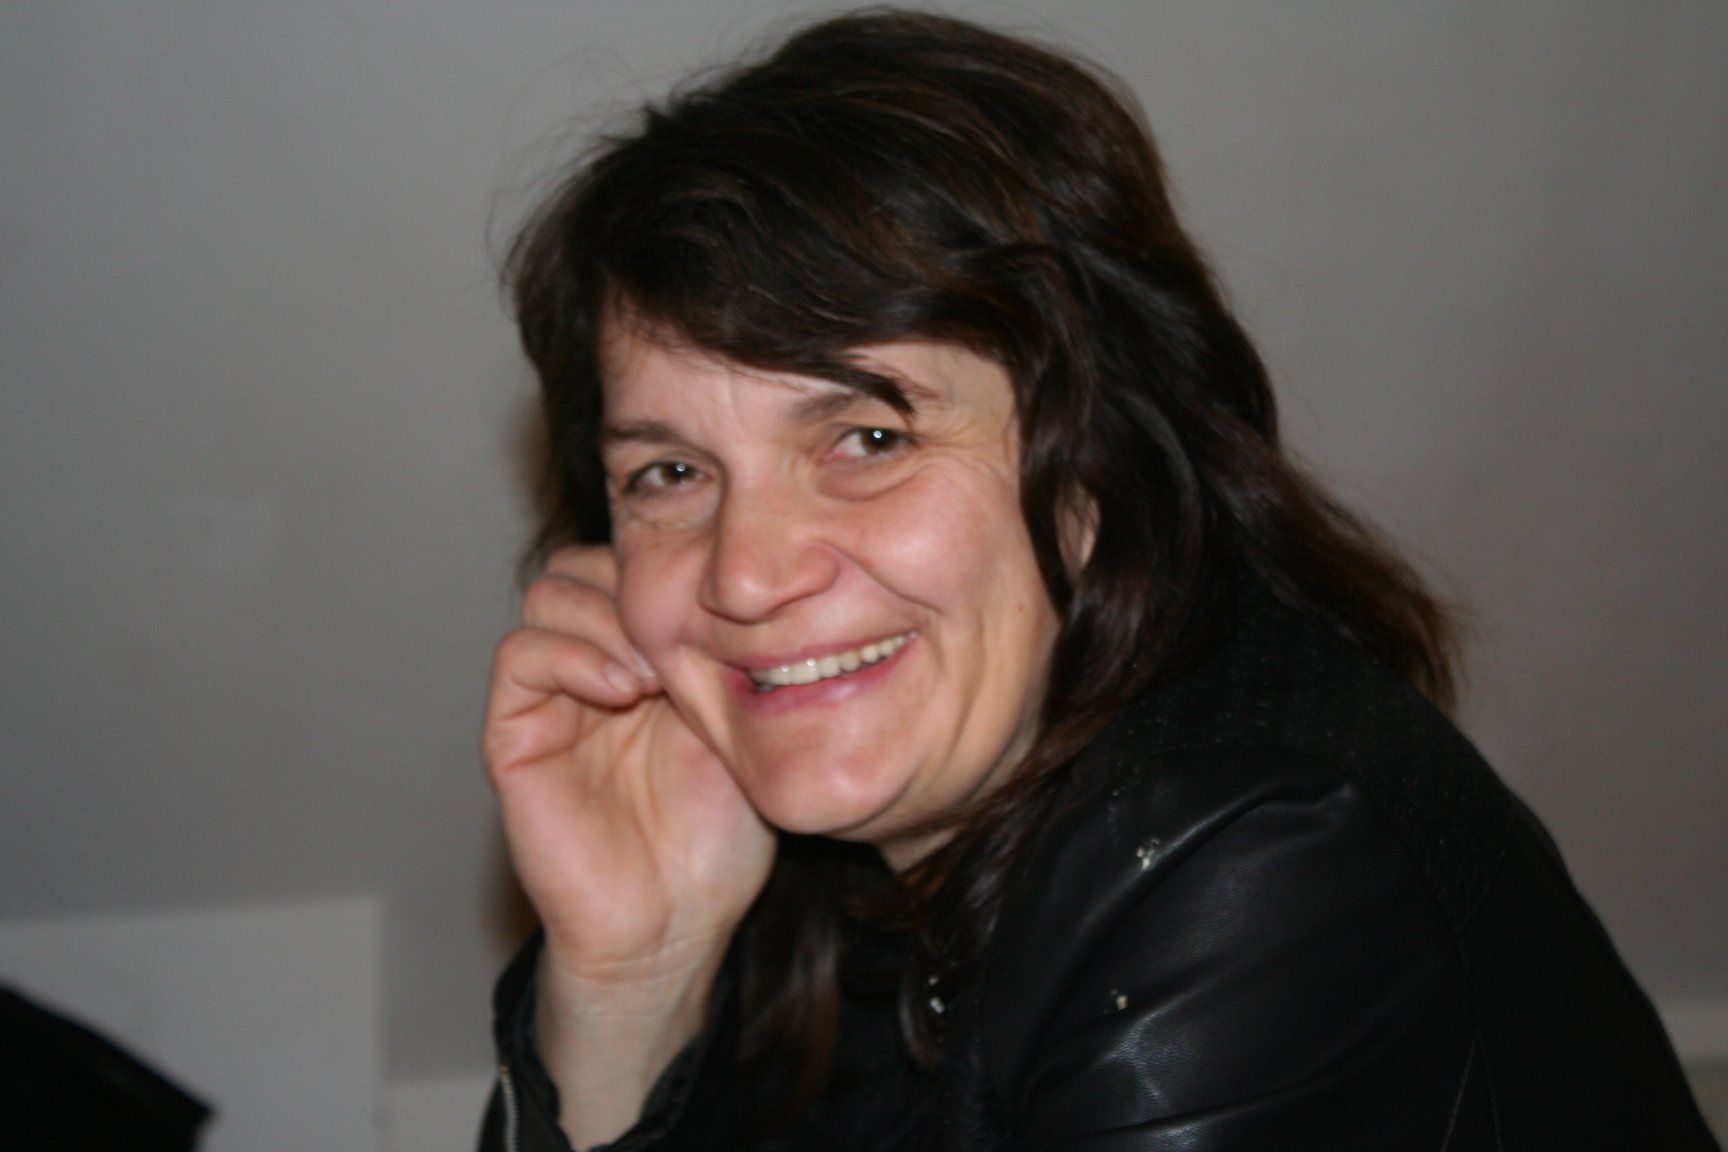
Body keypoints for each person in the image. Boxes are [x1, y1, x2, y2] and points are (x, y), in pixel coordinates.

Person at [477, 11, 1717, 1151]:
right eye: (672, 473)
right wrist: (629, 981)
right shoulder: (811, 862)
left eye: (868, 438)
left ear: (1096, 467)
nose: (744, 576)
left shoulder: (1249, 872)